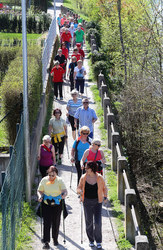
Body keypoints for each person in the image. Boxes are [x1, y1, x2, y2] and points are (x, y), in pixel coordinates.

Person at [77, 161, 108, 249]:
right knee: (89, 221)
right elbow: (79, 187)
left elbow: (104, 188)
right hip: (86, 202)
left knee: (98, 222)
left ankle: (98, 241)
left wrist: (105, 197)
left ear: (92, 169)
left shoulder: (100, 178)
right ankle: (91, 240)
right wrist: (79, 191)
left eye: (87, 168)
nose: (85, 169)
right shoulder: (83, 177)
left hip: (97, 202)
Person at [37, 166, 67, 249]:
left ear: (56, 174)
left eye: (53, 175)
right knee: (46, 223)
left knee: (56, 222)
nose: (51, 177)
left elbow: (65, 191)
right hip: (46, 204)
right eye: (49, 175)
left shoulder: (59, 180)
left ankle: (55, 239)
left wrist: (64, 195)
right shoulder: (44, 180)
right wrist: (40, 196)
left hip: (57, 204)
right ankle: (46, 241)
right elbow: (40, 191)